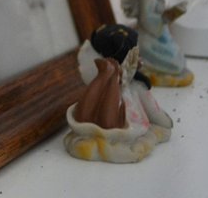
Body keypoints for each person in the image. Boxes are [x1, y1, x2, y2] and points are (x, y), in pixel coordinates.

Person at [64, 24, 172, 163]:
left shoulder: (132, 86)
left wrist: (162, 122)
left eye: (90, 53)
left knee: (104, 116)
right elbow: (155, 111)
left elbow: (153, 110)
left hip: (128, 128)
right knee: (85, 113)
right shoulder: (105, 87)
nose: (80, 64)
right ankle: (107, 73)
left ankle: (108, 72)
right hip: (105, 124)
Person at [121, 0, 193, 87]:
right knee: (172, 60)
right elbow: (147, 21)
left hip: (161, 36)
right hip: (150, 40)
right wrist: (165, 17)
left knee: (176, 55)